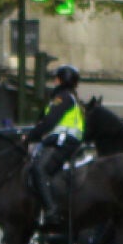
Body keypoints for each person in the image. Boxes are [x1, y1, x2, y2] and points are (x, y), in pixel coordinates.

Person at [25, 64, 85, 221]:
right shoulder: (71, 97)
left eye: (55, 79)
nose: (53, 82)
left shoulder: (62, 97)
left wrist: (29, 137)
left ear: (60, 80)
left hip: (63, 142)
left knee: (39, 169)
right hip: (65, 141)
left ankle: (51, 210)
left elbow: (49, 122)